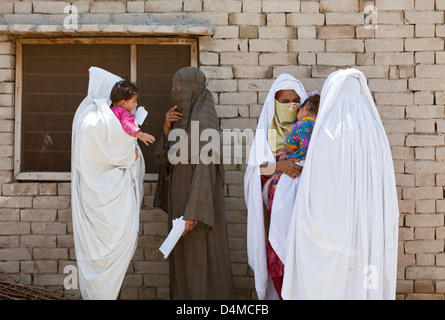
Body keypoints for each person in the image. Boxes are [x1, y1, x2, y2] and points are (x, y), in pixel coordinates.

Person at [282, 68, 399, 300]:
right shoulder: (375, 131)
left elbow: (316, 181)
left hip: (331, 226)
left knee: (331, 278)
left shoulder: (326, 131)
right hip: (368, 223)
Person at [153, 66, 234, 300]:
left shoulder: (205, 124)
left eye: (178, 89)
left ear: (193, 91)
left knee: (201, 260)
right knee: (183, 263)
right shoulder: (182, 124)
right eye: (173, 88)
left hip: (197, 209)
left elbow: (205, 171)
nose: (173, 92)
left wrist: (193, 214)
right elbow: (163, 158)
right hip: (181, 204)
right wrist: (167, 129)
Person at [71, 67, 145, 299]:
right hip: (111, 199)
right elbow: (117, 152)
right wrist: (129, 152)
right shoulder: (95, 119)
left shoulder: (87, 116)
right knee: (112, 252)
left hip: (97, 199)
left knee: (102, 255)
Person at [244, 73, 308, 300]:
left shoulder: (312, 129)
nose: (291, 106)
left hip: (307, 209)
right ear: (274, 104)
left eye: (296, 101)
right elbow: (256, 170)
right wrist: (280, 165)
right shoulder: (267, 133)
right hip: (278, 211)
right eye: (285, 101)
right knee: (281, 258)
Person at [109, 80, 155, 148]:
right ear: (123, 103)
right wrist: (140, 135)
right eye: (134, 101)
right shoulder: (123, 113)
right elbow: (127, 125)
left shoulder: (111, 109)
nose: (136, 104)